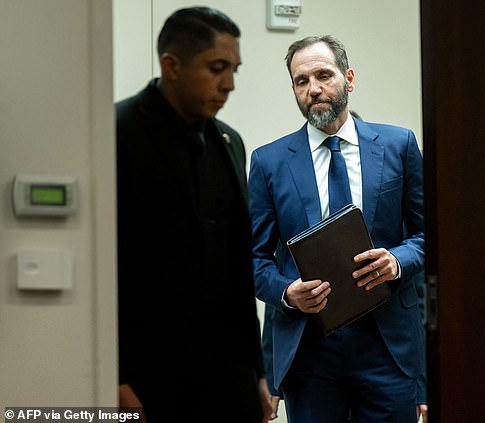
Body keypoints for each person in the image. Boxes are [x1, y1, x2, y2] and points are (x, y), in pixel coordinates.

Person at [248, 35, 426, 422]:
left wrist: (396, 261)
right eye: (301, 81)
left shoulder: (400, 145)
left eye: (323, 75)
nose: (313, 89)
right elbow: (254, 259)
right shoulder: (268, 162)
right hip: (310, 348)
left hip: (388, 343)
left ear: (348, 78)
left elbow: (430, 236)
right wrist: (287, 293)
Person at [116, 7, 272, 422]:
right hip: (146, 374)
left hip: (228, 376)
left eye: (234, 69)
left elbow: (239, 266)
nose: (230, 84)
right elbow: (103, 266)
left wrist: (257, 373)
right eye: (217, 68)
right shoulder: (116, 132)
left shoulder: (229, 142)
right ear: (171, 65)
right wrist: (114, 377)